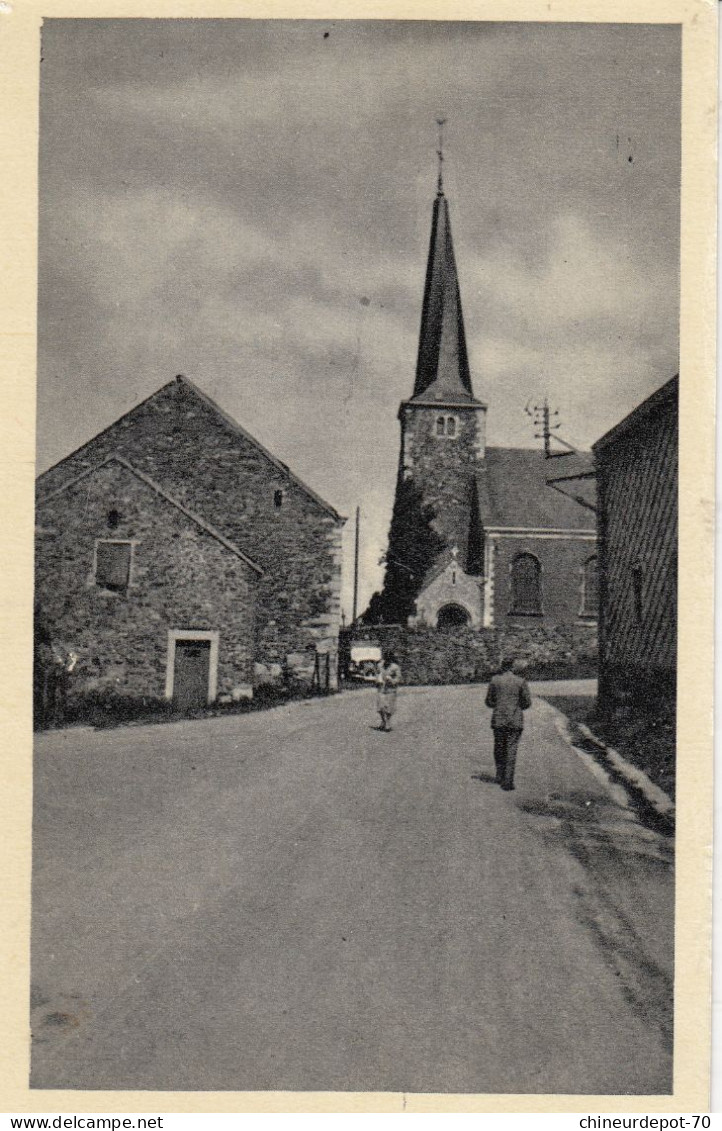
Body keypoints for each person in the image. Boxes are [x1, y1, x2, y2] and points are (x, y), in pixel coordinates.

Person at [485, 657, 532, 790]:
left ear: (502, 666)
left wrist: (498, 705)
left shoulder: (495, 680)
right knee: (511, 749)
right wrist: (517, 707)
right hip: (515, 720)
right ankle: (508, 781)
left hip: (499, 719)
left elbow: (489, 701)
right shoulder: (520, 681)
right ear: (512, 667)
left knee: (499, 748)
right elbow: (527, 703)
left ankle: (499, 775)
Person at [376, 651, 401, 732]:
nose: (386, 662)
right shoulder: (380, 665)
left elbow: (398, 679)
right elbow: (377, 674)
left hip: (391, 690)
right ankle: (383, 720)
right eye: (385, 660)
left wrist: (391, 680)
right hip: (382, 688)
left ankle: (388, 723)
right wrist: (377, 679)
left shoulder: (395, 667)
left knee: (389, 708)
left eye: (388, 660)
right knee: (380, 707)